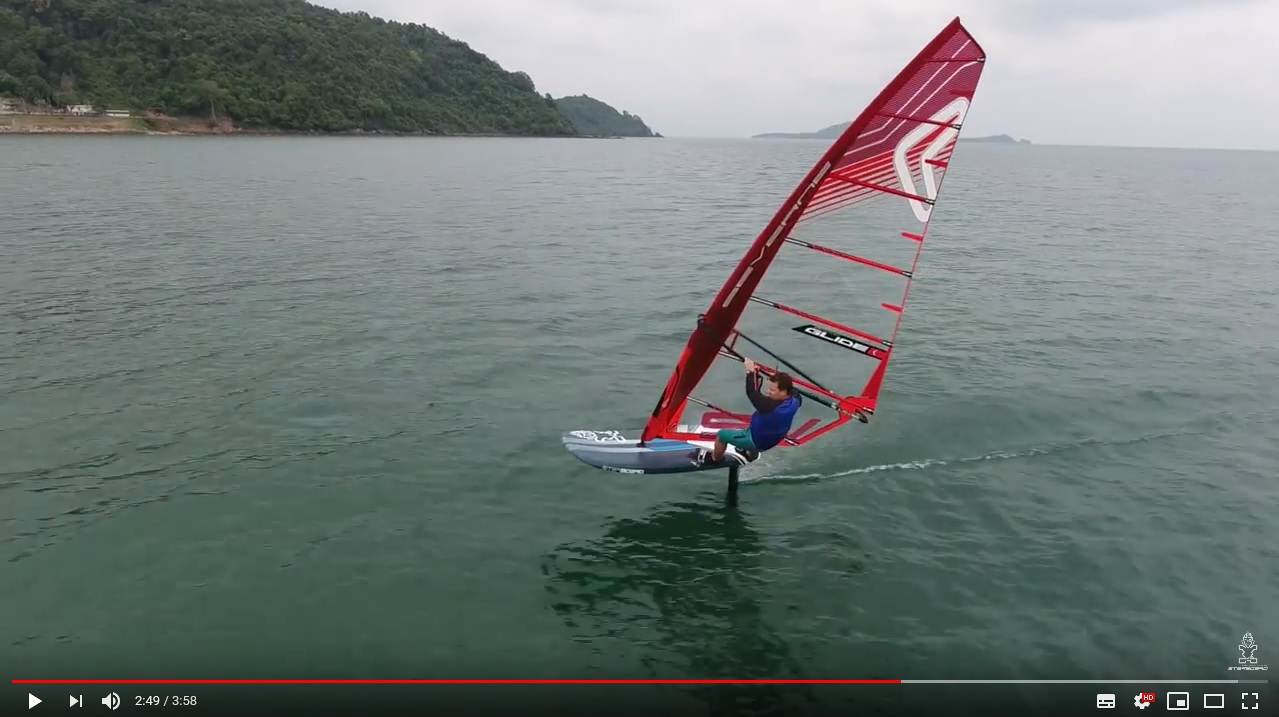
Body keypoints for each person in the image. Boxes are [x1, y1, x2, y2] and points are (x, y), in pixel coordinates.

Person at [696, 358, 801, 466]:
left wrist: (750, 371)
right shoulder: (796, 400)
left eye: (772, 390)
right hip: (775, 438)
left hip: (757, 441)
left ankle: (715, 459)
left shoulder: (769, 406)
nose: (768, 392)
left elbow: (751, 392)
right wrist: (776, 377)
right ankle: (750, 454)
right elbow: (794, 390)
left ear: (784, 391)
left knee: (721, 435)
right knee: (756, 427)